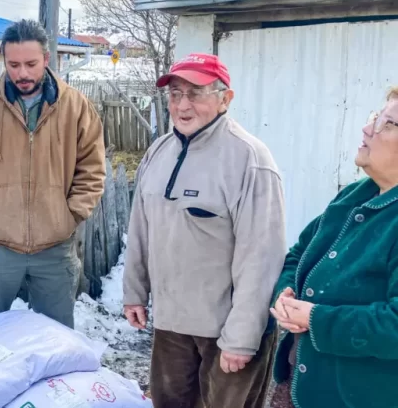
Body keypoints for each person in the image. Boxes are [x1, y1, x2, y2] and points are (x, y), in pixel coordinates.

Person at [122, 53, 286, 408]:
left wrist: (241, 338)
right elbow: (141, 227)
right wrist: (135, 291)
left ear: (226, 98)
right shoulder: (158, 152)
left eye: (195, 93)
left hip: (224, 333)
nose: (182, 105)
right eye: (175, 94)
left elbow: (261, 259)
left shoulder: (250, 161)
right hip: (171, 326)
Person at [0, 19, 105, 329]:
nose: (22, 73)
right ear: (4, 60)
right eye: (14, 64)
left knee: (56, 336)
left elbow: (93, 168)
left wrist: (69, 215)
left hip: (55, 247)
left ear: (47, 60)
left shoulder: (76, 107)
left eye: (31, 64)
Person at [269, 86, 398, 408]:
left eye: (387, 124)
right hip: (301, 384)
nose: (367, 128)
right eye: (374, 118)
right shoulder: (355, 195)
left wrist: (317, 320)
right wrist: (286, 293)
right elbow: (299, 254)